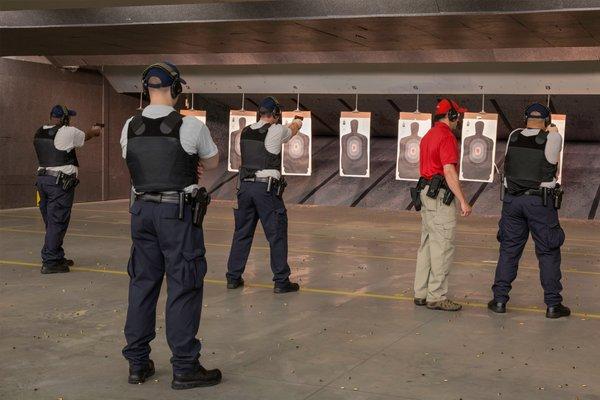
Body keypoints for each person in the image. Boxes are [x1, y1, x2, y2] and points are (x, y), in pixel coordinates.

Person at [120, 62, 222, 389]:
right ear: (176, 88)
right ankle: (185, 367)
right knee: (184, 284)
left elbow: (136, 163)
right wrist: (189, 164)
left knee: (142, 284)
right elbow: (212, 161)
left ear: (144, 88)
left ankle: (137, 364)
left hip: (142, 213)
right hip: (177, 216)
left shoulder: (129, 126)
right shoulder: (189, 126)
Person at [488, 103, 569, 319]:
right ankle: (553, 305)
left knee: (509, 250)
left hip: (512, 202)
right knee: (548, 252)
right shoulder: (553, 138)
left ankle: (499, 300)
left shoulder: (514, 136)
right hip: (539, 204)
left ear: (525, 118)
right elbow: (553, 147)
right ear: (547, 119)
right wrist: (552, 130)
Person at [226, 96, 303, 293]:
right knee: (276, 234)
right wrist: (298, 121)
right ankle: (281, 281)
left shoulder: (245, 131)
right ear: (276, 115)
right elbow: (292, 130)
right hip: (265, 191)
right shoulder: (276, 130)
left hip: (244, 188)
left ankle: (233, 277)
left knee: (242, 233)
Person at [412, 99, 472, 311]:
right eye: (458, 116)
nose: (460, 120)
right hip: (440, 197)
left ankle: (421, 293)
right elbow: (448, 171)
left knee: (427, 244)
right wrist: (463, 201)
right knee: (443, 246)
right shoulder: (446, 136)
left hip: (425, 193)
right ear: (451, 116)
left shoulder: (428, 135)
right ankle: (436, 296)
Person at [34, 105, 101, 274]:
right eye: (68, 118)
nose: (70, 120)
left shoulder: (40, 132)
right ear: (64, 119)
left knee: (52, 221)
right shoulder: (68, 131)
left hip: (42, 181)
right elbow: (86, 136)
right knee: (57, 221)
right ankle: (50, 261)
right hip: (59, 184)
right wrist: (94, 131)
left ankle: (56, 255)